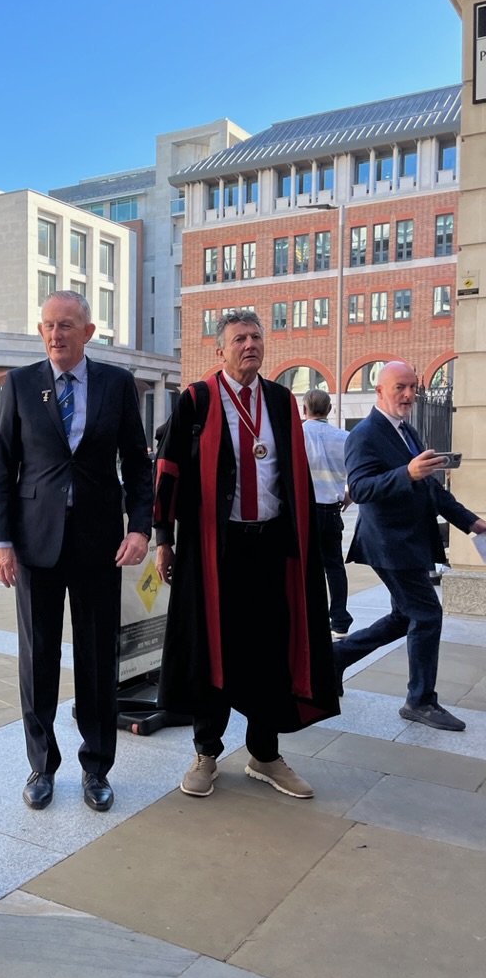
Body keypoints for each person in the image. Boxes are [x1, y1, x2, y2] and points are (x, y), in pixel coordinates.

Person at [154, 309, 339, 801]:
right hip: (215, 548)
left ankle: (264, 753)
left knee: (269, 649)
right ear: (221, 349)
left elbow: (293, 475)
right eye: (239, 338)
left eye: (256, 337)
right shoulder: (198, 399)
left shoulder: (280, 400)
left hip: (272, 546)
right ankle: (206, 752)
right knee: (212, 647)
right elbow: (168, 469)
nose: (250, 345)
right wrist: (163, 538)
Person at [0, 290, 152, 813]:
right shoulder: (20, 384)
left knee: (98, 658)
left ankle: (97, 766)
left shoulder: (116, 384)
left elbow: (138, 463)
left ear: (88, 331)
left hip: (100, 543)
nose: (56, 334)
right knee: (38, 658)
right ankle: (42, 765)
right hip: (35, 543)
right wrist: (0, 541)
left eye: (66, 325)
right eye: (48, 325)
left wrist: (140, 528)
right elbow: (5, 466)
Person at [333, 361, 486, 732]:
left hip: (410, 541)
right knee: (428, 615)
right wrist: (407, 472)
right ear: (380, 390)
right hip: (389, 543)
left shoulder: (407, 430)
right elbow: (361, 489)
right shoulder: (364, 434)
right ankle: (420, 701)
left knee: (404, 617)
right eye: (400, 387)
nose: (408, 394)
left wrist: (471, 522)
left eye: (413, 387)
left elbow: (431, 488)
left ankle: (334, 658)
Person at [302, 390, 353, 637]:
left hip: (306, 510)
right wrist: (349, 494)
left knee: (306, 567)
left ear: (304, 409)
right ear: (330, 409)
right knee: (335, 567)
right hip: (332, 509)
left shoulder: (297, 434)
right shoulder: (345, 437)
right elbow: (359, 470)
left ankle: (310, 617)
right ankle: (340, 620)